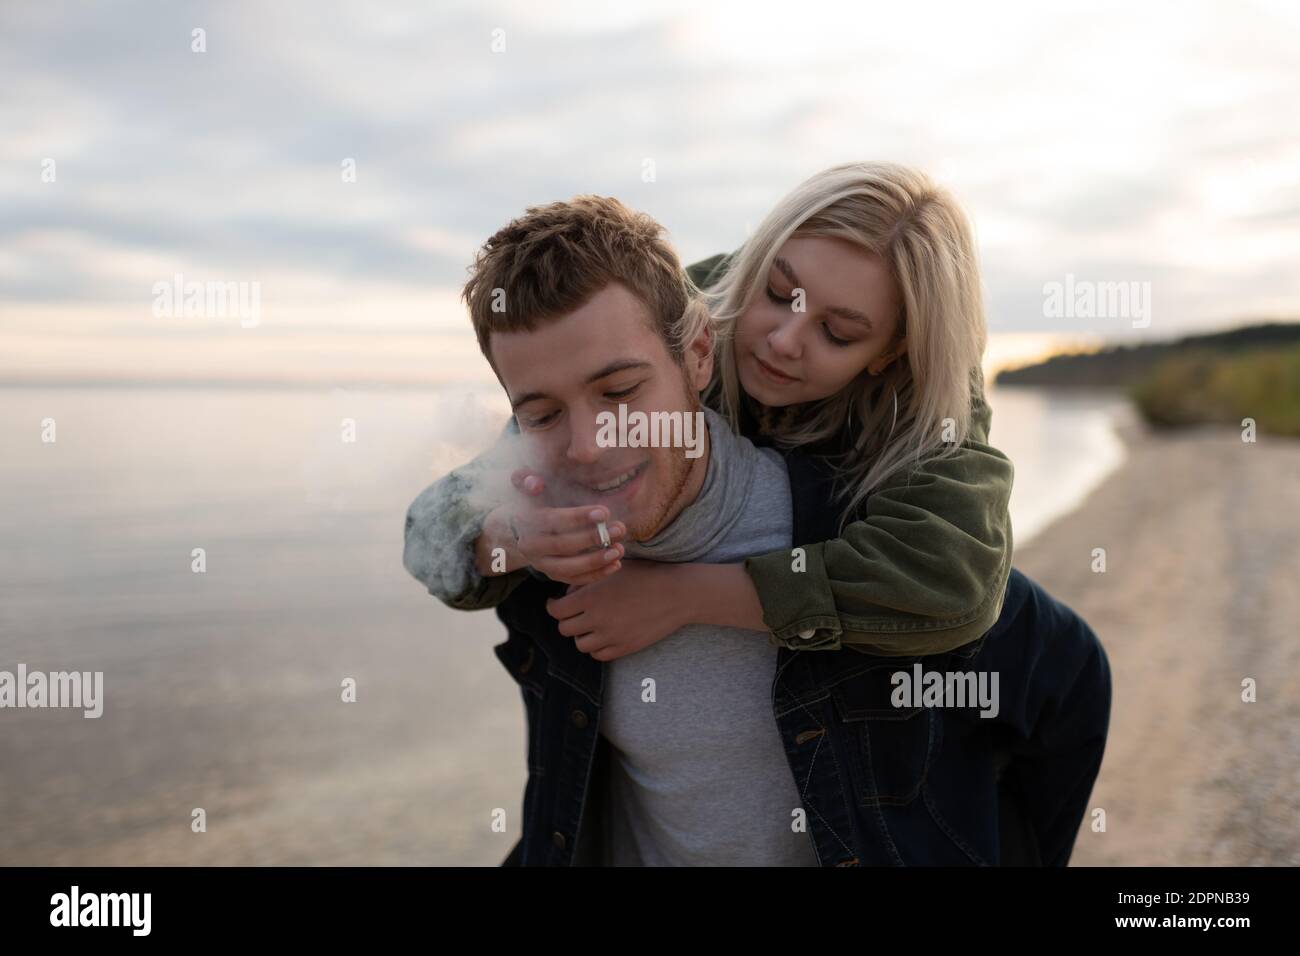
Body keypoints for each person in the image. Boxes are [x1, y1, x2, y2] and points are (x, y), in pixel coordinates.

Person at [404, 175, 1110, 865]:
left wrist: (687, 595)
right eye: (779, 292)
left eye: (837, 332)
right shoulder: (686, 311)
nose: (781, 339)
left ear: (892, 351)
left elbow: (973, 598)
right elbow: (438, 530)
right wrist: (509, 535)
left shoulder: (921, 429)